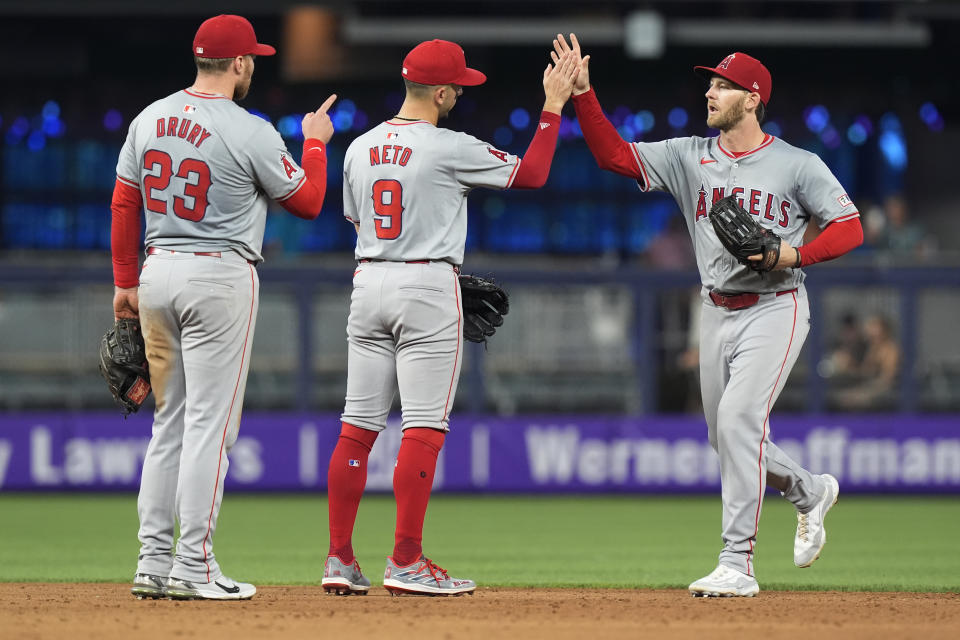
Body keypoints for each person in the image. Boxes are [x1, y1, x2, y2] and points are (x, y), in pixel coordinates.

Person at [554, 34, 863, 597]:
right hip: (714, 309)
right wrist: (584, 96)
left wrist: (794, 253)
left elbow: (850, 228)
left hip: (776, 304)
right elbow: (613, 156)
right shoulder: (688, 155)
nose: (711, 92)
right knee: (727, 438)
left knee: (740, 421)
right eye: (710, 83)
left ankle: (737, 562)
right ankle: (809, 491)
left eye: (723, 85)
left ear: (752, 98)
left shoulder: (797, 164)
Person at [320, 39, 580, 596]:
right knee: (423, 428)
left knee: (357, 427)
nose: (461, 92)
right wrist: (553, 106)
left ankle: (339, 558)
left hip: (367, 281)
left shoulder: (357, 147)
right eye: (457, 85)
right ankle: (406, 561)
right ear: (438, 91)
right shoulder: (446, 145)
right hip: (427, 283)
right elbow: (532, 174)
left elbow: (354, 217)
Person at [112, 14, 337, 601]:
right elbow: (310, 202)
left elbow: (123, 201)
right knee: (210, 427)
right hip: (218, 276)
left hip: (157, 271)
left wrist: (124, 280)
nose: (252, 66)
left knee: (169, 425)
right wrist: (315, 141)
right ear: (239, 64)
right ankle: (193, 566)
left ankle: (152, 563)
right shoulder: (250, 129)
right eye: (251, 59)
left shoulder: (149, 117)